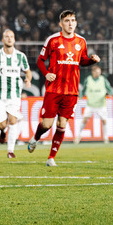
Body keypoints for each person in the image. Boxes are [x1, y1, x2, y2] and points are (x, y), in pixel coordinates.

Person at [27, 10, 101, 167]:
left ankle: (51, 158)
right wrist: (46, 74)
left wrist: (91, 61)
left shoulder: (81, 41)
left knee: (62, 124)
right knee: (47, 124)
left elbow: (82, 61)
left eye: (73, 20)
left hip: (71, 91)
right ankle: (35, 138)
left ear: (76, 23)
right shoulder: (53, 40)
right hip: (54, 90)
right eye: (67, 21)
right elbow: (40, 60)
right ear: (61, 24)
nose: (70, 23)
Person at [0, 29, 33, 158]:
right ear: (2, 40)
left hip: (14, 95)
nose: (9, 38)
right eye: (6, 36)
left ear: (14, 39)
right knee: (2, 124)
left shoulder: (20, 56)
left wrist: (28, 79)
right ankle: (2, 131)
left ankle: (10, 151)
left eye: (11, 36)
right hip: (0, 96)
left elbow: (28, 72)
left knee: (13, 120)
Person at [74, 65, 113, 144]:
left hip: (101, 104)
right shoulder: (88, 79)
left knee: (104, 120)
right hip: (90, 104)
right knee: (85, 119)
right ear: (93, 72)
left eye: (99, 72)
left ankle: (106, 138)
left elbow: (108, 87)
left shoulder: (103, 79)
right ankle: (78, 136)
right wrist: (81, 96)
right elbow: (83, 89)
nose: (98, 73)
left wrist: (110, 93)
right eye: (97, 72)